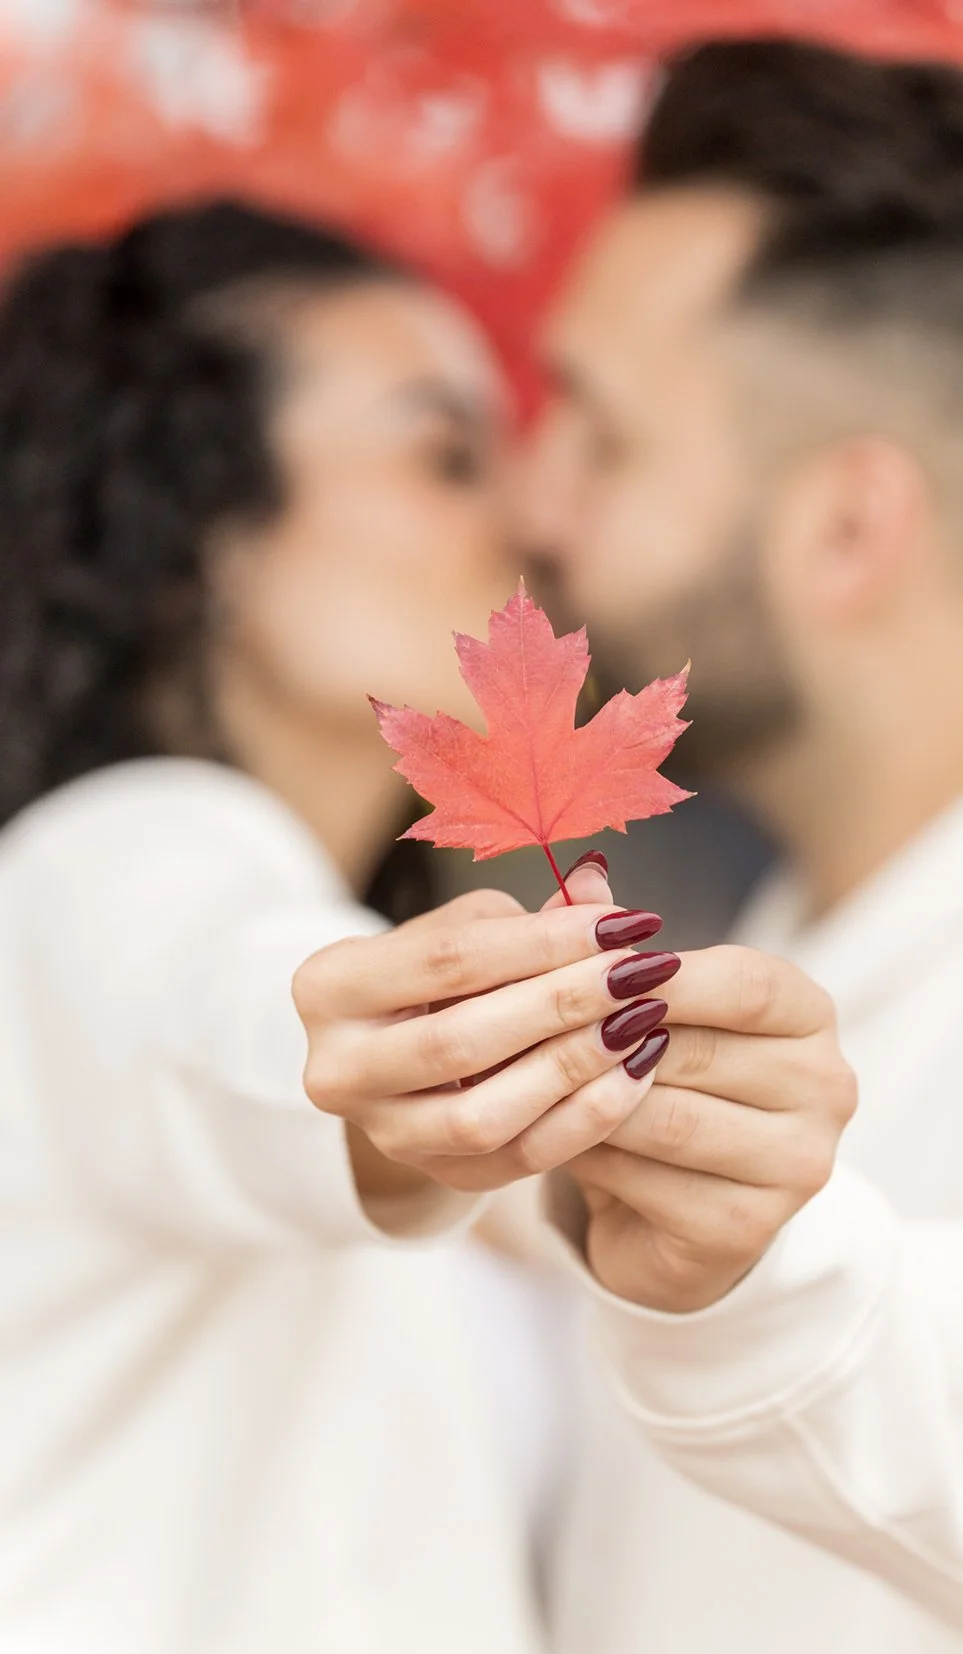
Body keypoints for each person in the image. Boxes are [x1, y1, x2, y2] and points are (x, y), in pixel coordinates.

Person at [0, 196, 729, 1653]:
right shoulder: (117, 857)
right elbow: (239, 1019)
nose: (533, 518)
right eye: (445, 451)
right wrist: (418, 1071)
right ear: (200, 519)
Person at [508, 35, 963, 1654]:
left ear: (845, 528)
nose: (533, 502)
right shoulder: (797, 919)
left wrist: (761, 1277)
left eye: (603, 435)